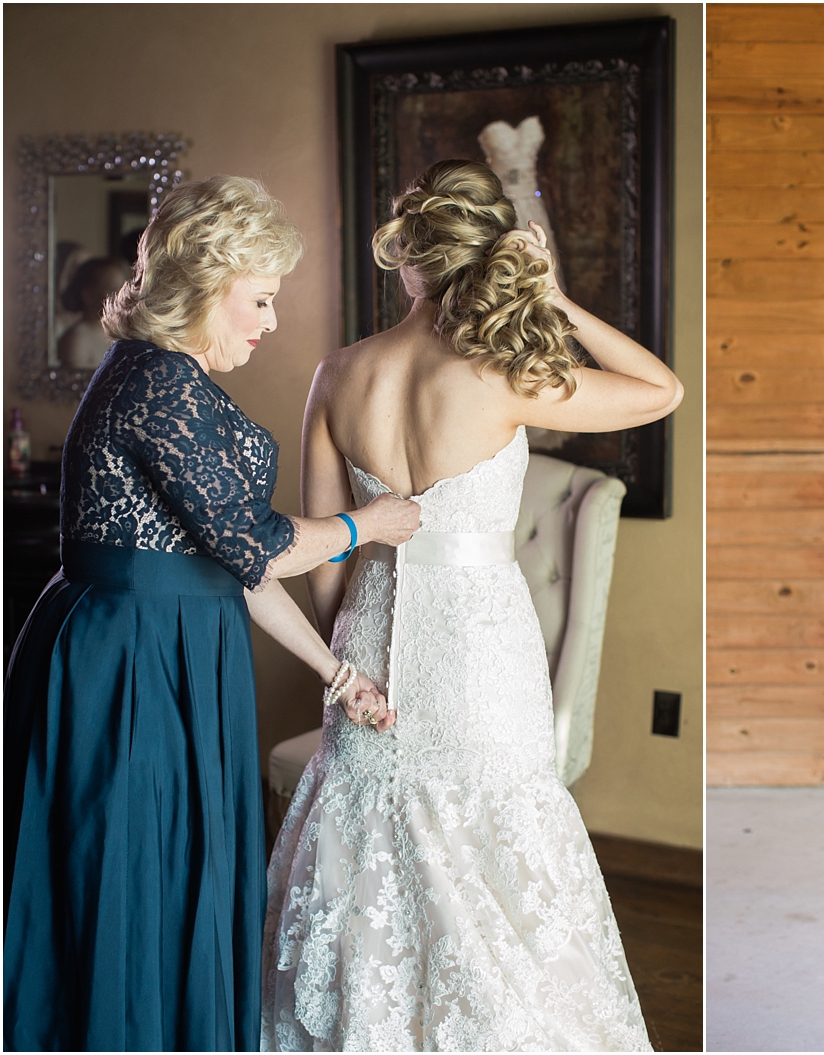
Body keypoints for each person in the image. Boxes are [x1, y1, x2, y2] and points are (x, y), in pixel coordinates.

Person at [261, 160, 681, 1051]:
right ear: (490, 253)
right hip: (480, 647)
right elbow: (662, 391)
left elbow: (328, 555)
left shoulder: (339, 373)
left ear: (410, 258)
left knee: (367, 845)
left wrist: (344, 660)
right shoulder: (505, 373)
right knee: (497, 847)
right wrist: (555, 297)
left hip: (368, 632)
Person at [2, 175, 421, 1052]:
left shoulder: (165, 373)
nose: (271, 320)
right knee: (129, 879)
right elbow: (255, 547)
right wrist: (366, 523)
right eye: (259, 299)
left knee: (172, 875)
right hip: (132, 659)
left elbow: (232, 567)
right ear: (204, 285)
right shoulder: (159, 382)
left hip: (171, 641)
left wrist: (340, 675)